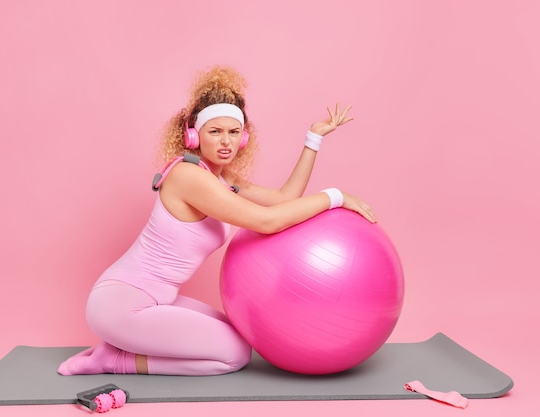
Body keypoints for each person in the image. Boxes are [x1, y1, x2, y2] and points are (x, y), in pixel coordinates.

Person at [57, 66, 376, 377]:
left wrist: (313, 140)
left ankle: (115, 352)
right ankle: (114, 361)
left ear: (244, 138)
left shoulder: (221, 178)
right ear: (194, 135)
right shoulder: (188, 176)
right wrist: (335, 197)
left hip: (157, 298)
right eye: (216, 131)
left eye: (233, 132)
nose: (226, 142)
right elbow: (267, 221)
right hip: (121, 304)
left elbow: (282, 200)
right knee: (234, 356)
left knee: (239, 338)